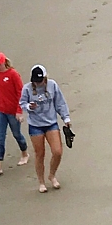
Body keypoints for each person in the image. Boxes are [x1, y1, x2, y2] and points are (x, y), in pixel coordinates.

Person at [20, 64, 70, 192]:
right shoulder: (27, 89)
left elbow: (60, 103)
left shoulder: (52, 85)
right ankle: (41, 182)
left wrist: (66, 118)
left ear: (45, 78)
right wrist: (28, 107)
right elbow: (22, 103)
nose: (38, 84)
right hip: (35, 125)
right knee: (40, 154)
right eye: (36, 82)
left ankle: (52, 175)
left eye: (40, 81)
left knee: (57, 151)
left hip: (51, 123)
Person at [0, 51, 29, 177]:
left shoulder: (13, 74)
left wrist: (19, 111)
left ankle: (24, 153)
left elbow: (20, 92)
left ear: (1, 63)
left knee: (17, 134)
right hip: (0, 109)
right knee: (0, 137)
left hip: (12, 111)